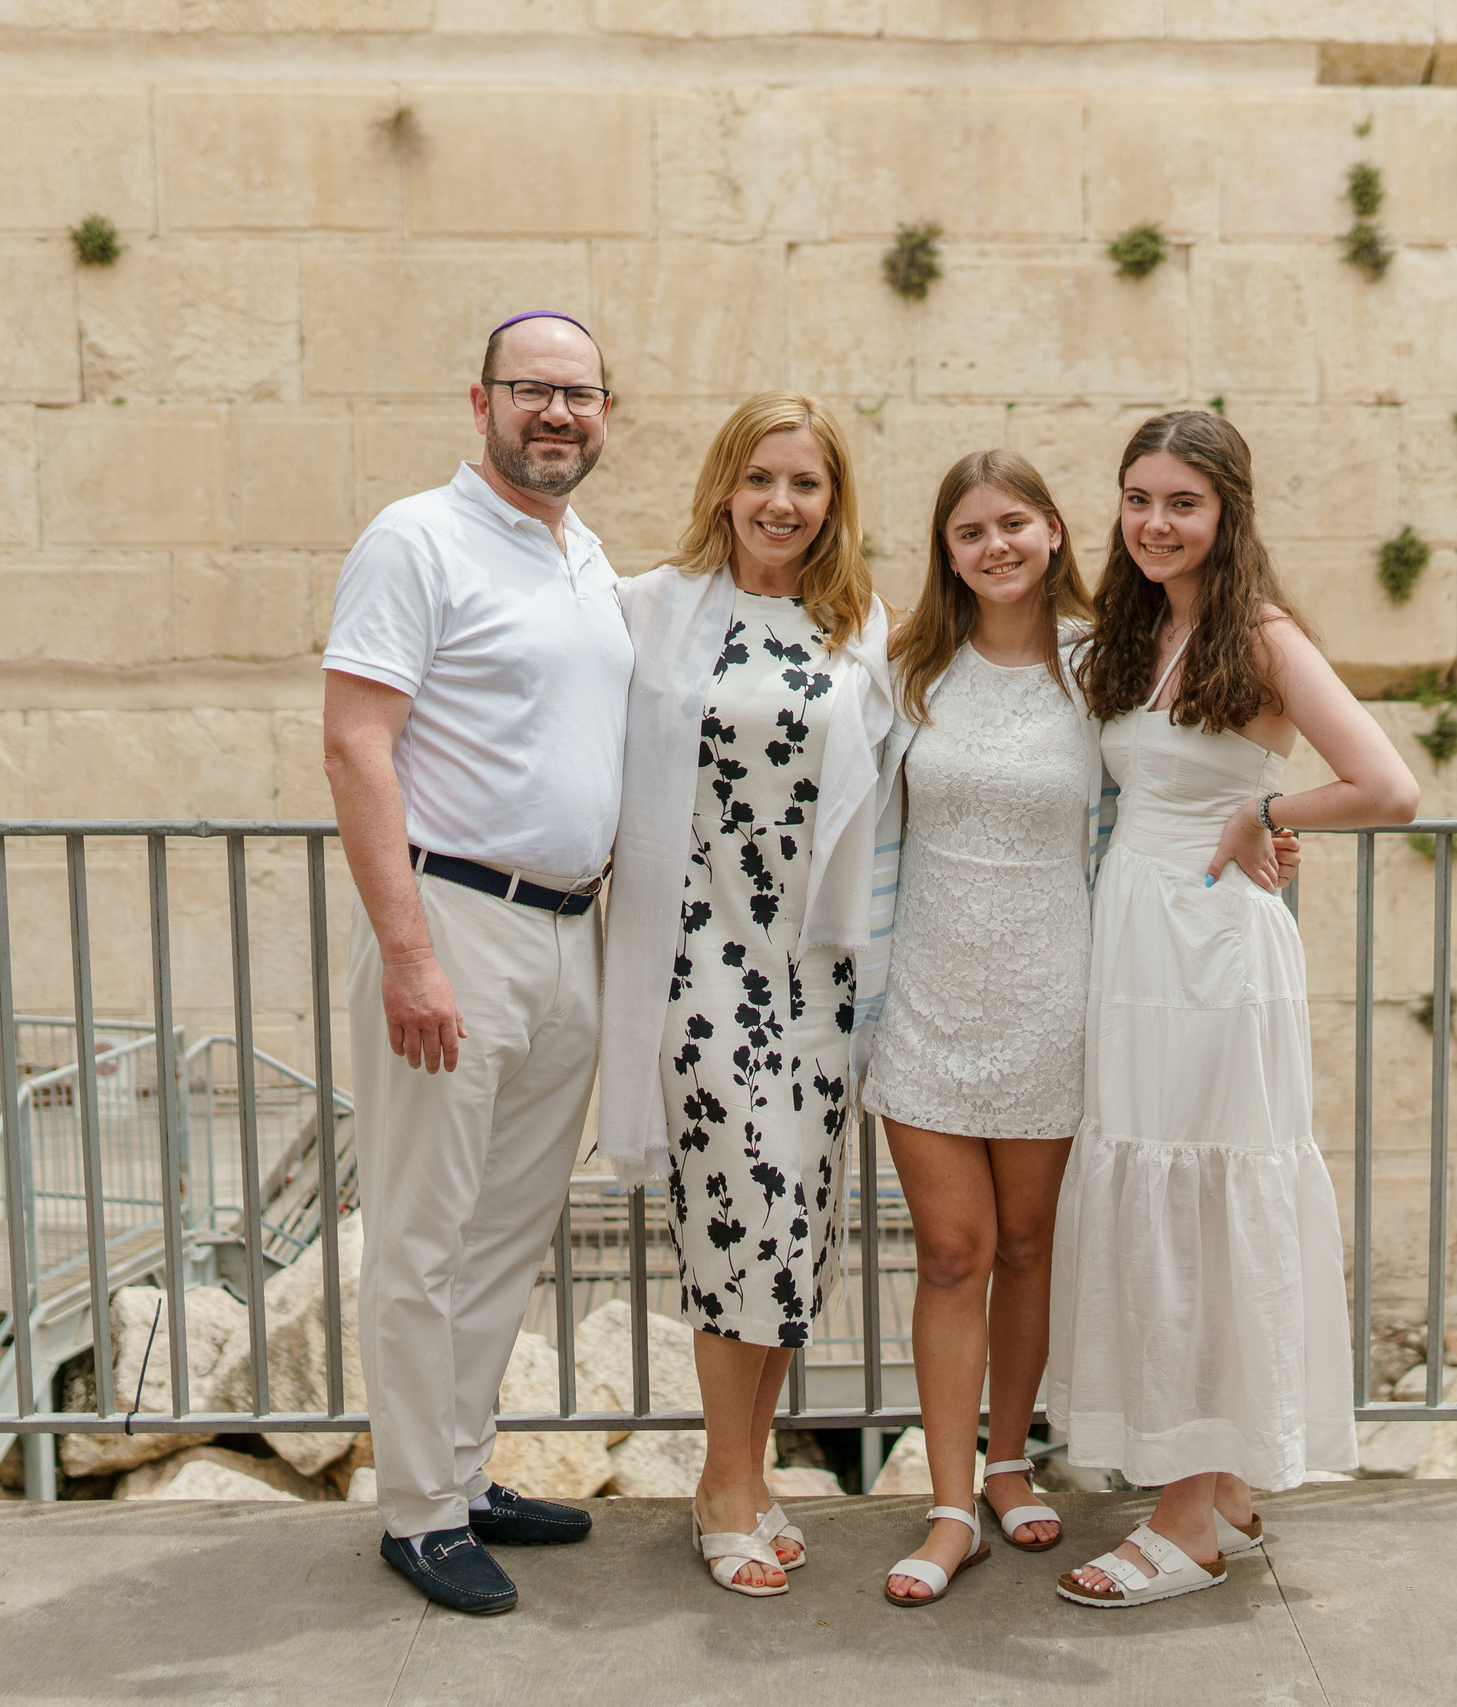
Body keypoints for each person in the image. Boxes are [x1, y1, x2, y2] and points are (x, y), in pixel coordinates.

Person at [864, 451, 1307, 1607]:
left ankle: (1012, 1465)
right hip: (929, 998)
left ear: (1056, 531)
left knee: (1028, 1247)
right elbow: (858, 827)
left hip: (1062, 997)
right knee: (950, 1253)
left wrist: (1261, 824)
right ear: (944, 551)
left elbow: (1163, 785)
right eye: (969, 531)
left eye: (1014, 523)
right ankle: (949, 1507)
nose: (995, 547)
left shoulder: (1099, 661)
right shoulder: (906, 667)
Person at [1048, 409, 1419, 1610]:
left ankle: (1183, 1524)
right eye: (1138, 499)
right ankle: (1226, 1494)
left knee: (1198, 1212)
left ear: (1226, 512)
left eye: (1182, 503)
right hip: (1137, 946)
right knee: (1164, 1198)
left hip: (1212, 950)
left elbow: (1389, 786)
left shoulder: (1260, 635)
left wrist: (1266, 813)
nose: (1155, 524)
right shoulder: (1138, 629)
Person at [321, 310, 626, 1616]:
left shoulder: (584, 552)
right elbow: (356, 744)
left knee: (506, 1228)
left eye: (580, 393)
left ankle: (463, 1468)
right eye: (531, 389)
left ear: (604, 412)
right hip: (454, 922)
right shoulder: (416, 538)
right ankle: (418, 1512)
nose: (556, 412)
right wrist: (409, 955)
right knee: (423, 1230)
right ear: (481, 399)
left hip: (569, 931)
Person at [596, 392, 897, 1599]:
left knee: (794, 1229)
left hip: (815, 973)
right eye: (761, 477)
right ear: (725, 484)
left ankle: (750, 1472)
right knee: (739, 1211)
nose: (781, 502)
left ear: (833, 501)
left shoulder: (857, 625)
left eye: (805, 483)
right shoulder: (652, 609)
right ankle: (723, 1484)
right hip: (698, 965)